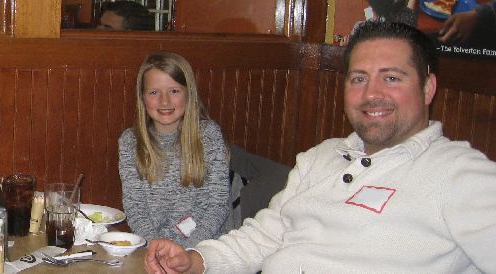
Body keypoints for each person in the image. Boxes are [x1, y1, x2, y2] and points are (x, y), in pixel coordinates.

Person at [144, 21, 496, 274]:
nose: (372, 93)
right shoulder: (320, 157)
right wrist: (195, 260)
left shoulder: (459, 173)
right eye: (359, 78)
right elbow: (262, 238)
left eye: (391, 78)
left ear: (428, 88)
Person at [118, 52, 230, 247]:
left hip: (202, 248)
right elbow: (135, 209)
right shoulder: (130, 141)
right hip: (153, 248)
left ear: (189, 93)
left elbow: (217, 206)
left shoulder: (208, 135)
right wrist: (157, 246)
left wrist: (184, 251)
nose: (165, 102)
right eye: (154, 92)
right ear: (142, 98)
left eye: (174, 91)